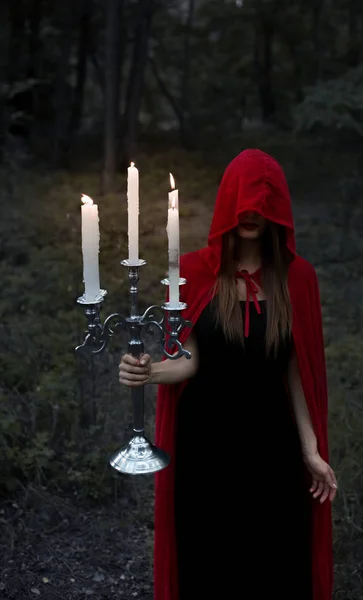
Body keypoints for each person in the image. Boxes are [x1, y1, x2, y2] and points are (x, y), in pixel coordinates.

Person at [119, 149, 338, 600]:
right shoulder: (195, 274)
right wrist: (148, 371)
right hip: (206, 451)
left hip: (271, 450)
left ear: (278, 208)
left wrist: (310, 449)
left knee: (276, 564)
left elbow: (298, 371)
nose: (252, 213)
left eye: (263, 203)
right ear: (227, 204)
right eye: (243, 202)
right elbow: (189, 360)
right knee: (209, 565)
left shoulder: (297, 279)